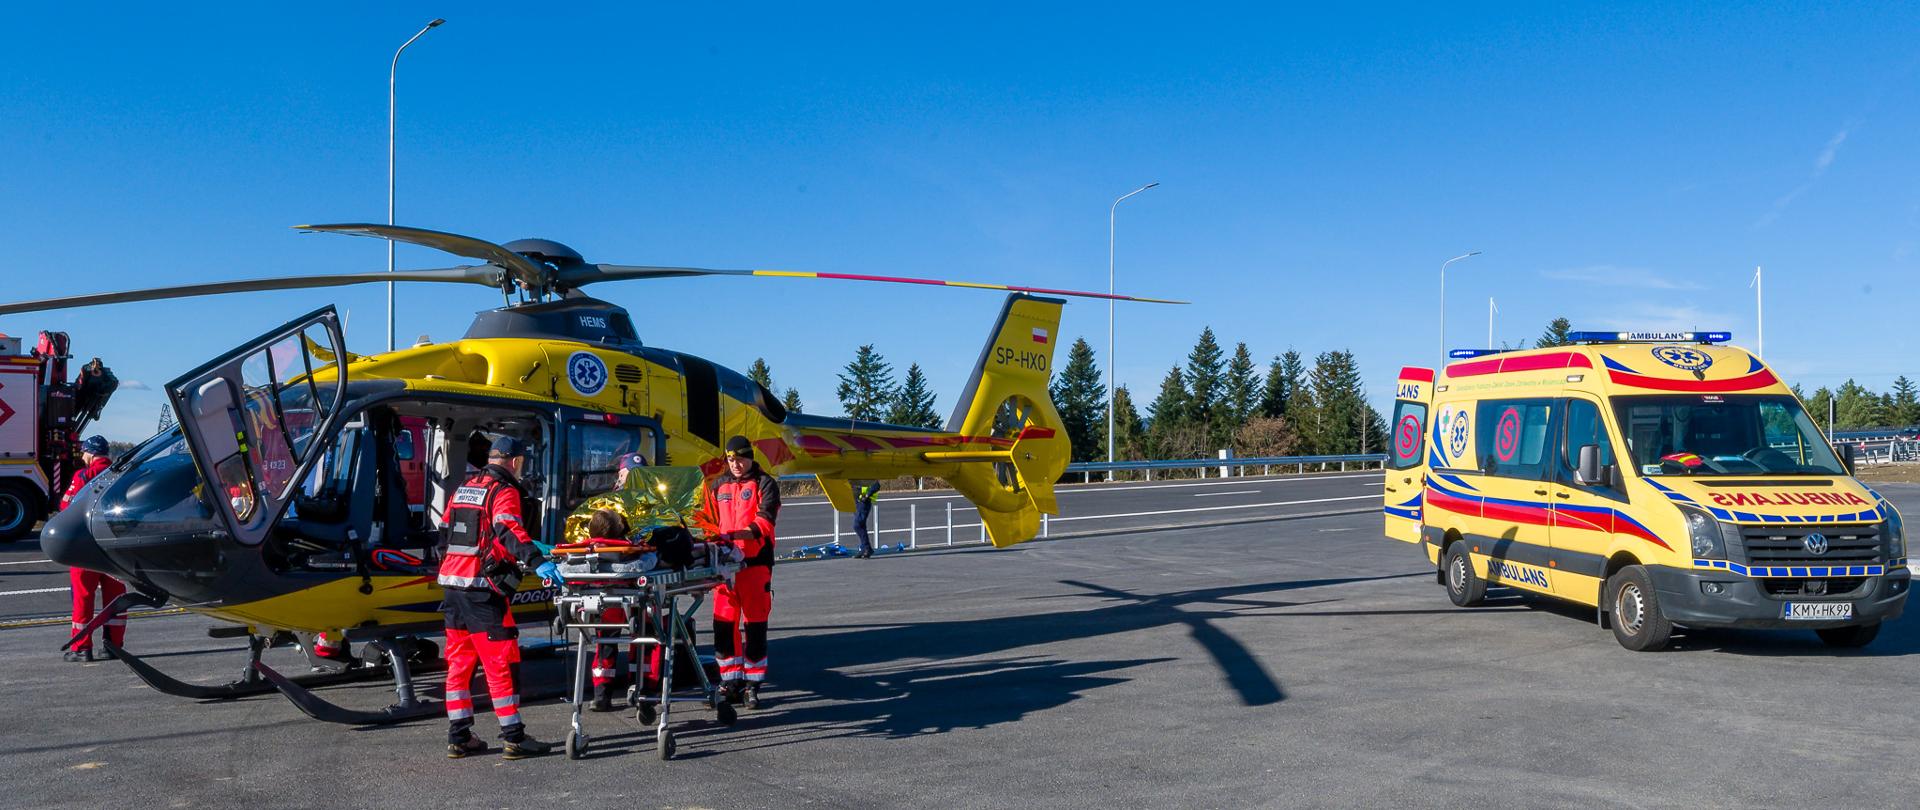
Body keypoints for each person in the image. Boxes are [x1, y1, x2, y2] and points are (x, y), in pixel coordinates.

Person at [437, 435, 557, 759]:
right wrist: (538, 562)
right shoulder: (503, 492)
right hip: (481, 591)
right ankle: (514, 737)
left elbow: (444, 531)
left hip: (452, 585)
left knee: (459, 663)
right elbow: (508, 530)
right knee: (501, 661)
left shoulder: (464, 487)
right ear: (516, 462)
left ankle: (459, 736)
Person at [705, 435, 780, 709]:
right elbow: (707, 520)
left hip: (754, 566)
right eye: (731, 459)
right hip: (723, 568)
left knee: (755, 626)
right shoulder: (718, 485)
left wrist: (738, 534)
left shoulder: (765, 483)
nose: (735, 464)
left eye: (740, 458)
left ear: (750, 456)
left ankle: (752, 684)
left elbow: (766, 520)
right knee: (723, 627)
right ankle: (730, 681)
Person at [64, 435, 125, 662]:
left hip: (85, 545)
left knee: (83, 596)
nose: (82, 456)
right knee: (115, 596)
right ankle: (114, 646)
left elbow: (65, 506)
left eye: (83, 452)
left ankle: (81, 648)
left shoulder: (83, 475)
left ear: (90, 453)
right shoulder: (120, 475)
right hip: (115, 547)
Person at [851, 479, 880, 559]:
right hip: (856, 502)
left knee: (857, 525)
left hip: (863, 502)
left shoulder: (865, 473)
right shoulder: (853, 473)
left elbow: (876, 485)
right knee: (861, 526)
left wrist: (867, 495)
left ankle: (867, 548)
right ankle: (864, 548)